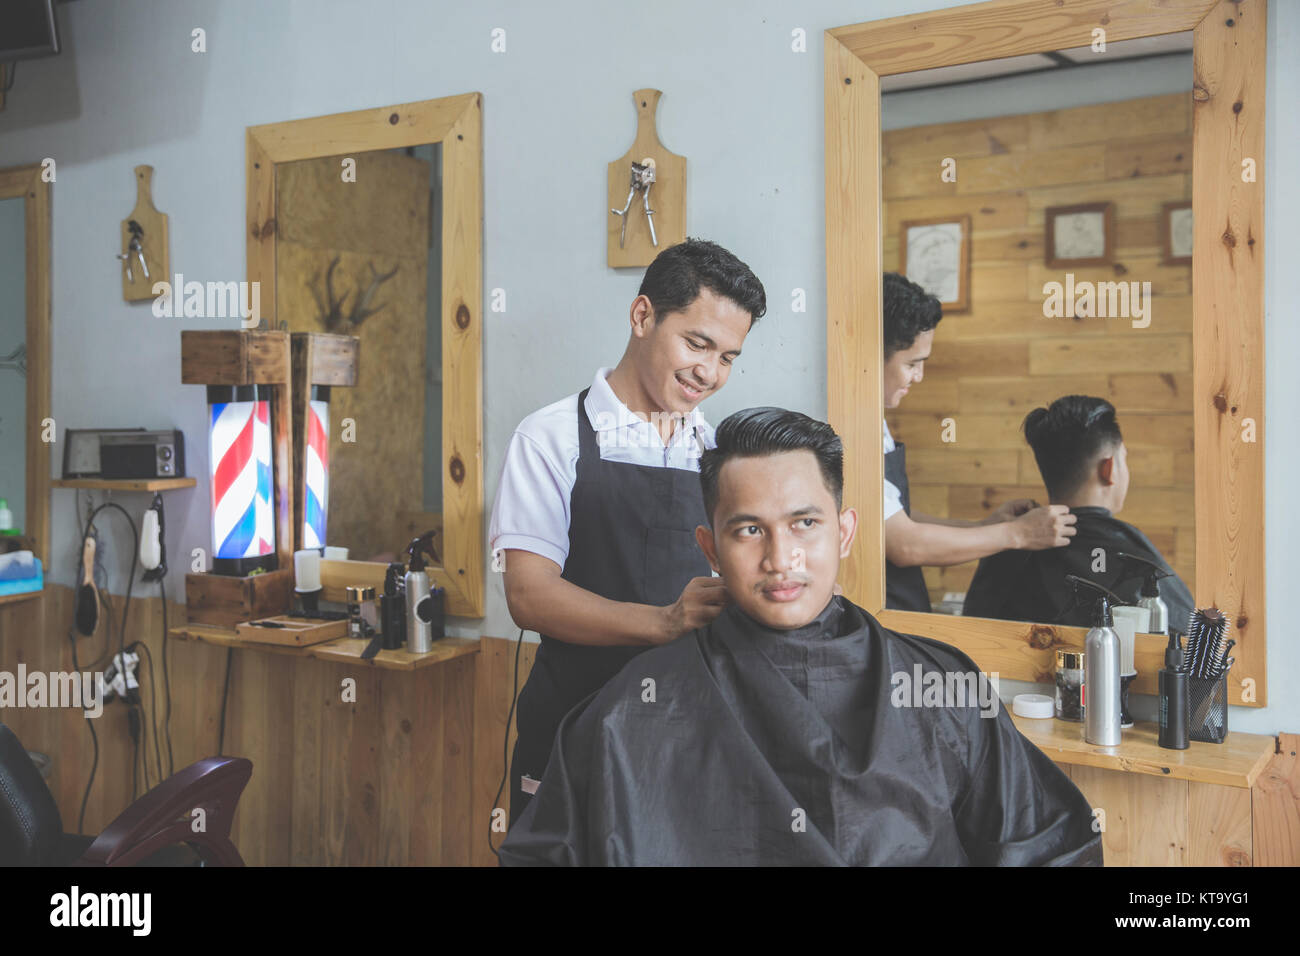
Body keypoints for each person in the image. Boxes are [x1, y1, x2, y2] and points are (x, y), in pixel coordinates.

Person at [498, 407, 1103, 866]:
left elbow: (1051, 847)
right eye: (748, 531)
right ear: (710, 548)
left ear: (843, 533)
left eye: (804, 523)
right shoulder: (626, 715)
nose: (781, 558)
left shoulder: (942, 689)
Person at [488, 238, 766, 826]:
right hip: (573, 723)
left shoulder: (716, 451)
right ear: (642, 316)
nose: (709, 373)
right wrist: (665, 621)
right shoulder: (550, 437)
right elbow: (528, 594)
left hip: (686, 725)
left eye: (728, 358)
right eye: (697, 343)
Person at [880, 273, 1077, 612]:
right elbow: (904, 543)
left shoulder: (875, 422)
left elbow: (898, 517)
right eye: (912, 364)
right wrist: (1017, 534)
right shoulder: (843, 430)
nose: (919, 377)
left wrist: (985, 527)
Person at [962, 395, 1193, 628]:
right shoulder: (1129, 552)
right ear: (1110, 468)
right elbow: (1187, 638)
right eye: (1124, 458)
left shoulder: (1005, 547)